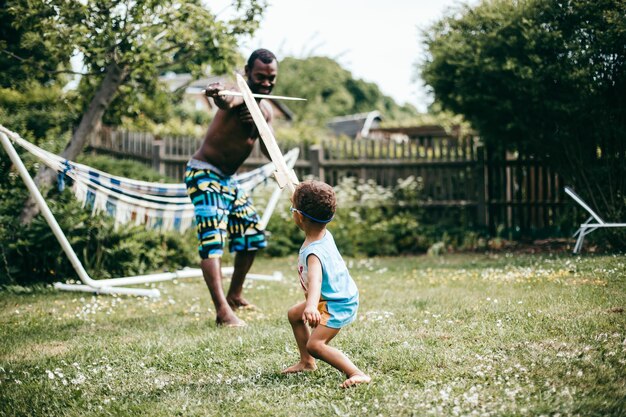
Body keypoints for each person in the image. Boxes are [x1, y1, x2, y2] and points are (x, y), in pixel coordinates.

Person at [184, 49, 278, 327]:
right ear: (248, 72)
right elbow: (226, 100)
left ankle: (235, 294)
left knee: (252, 236)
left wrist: (261, 126)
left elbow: (268, 149)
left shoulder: (266, 110)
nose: (266, 83)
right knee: (212, 240)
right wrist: (217, 93)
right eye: (260, 76)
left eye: (271, 78)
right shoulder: (239, 95)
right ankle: (223, 312)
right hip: (204, 173)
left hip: (229, 180)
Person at [282, 180, 371, 388]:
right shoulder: (322, 233)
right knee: (294, 315)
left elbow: (316, 280)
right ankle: (307, 362)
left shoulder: (314, 252)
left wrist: (312, 306)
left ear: (300, 216)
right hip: (333, 296)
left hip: (335, 302)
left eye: (292, 208)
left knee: (316, 344)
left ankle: (356, 373)